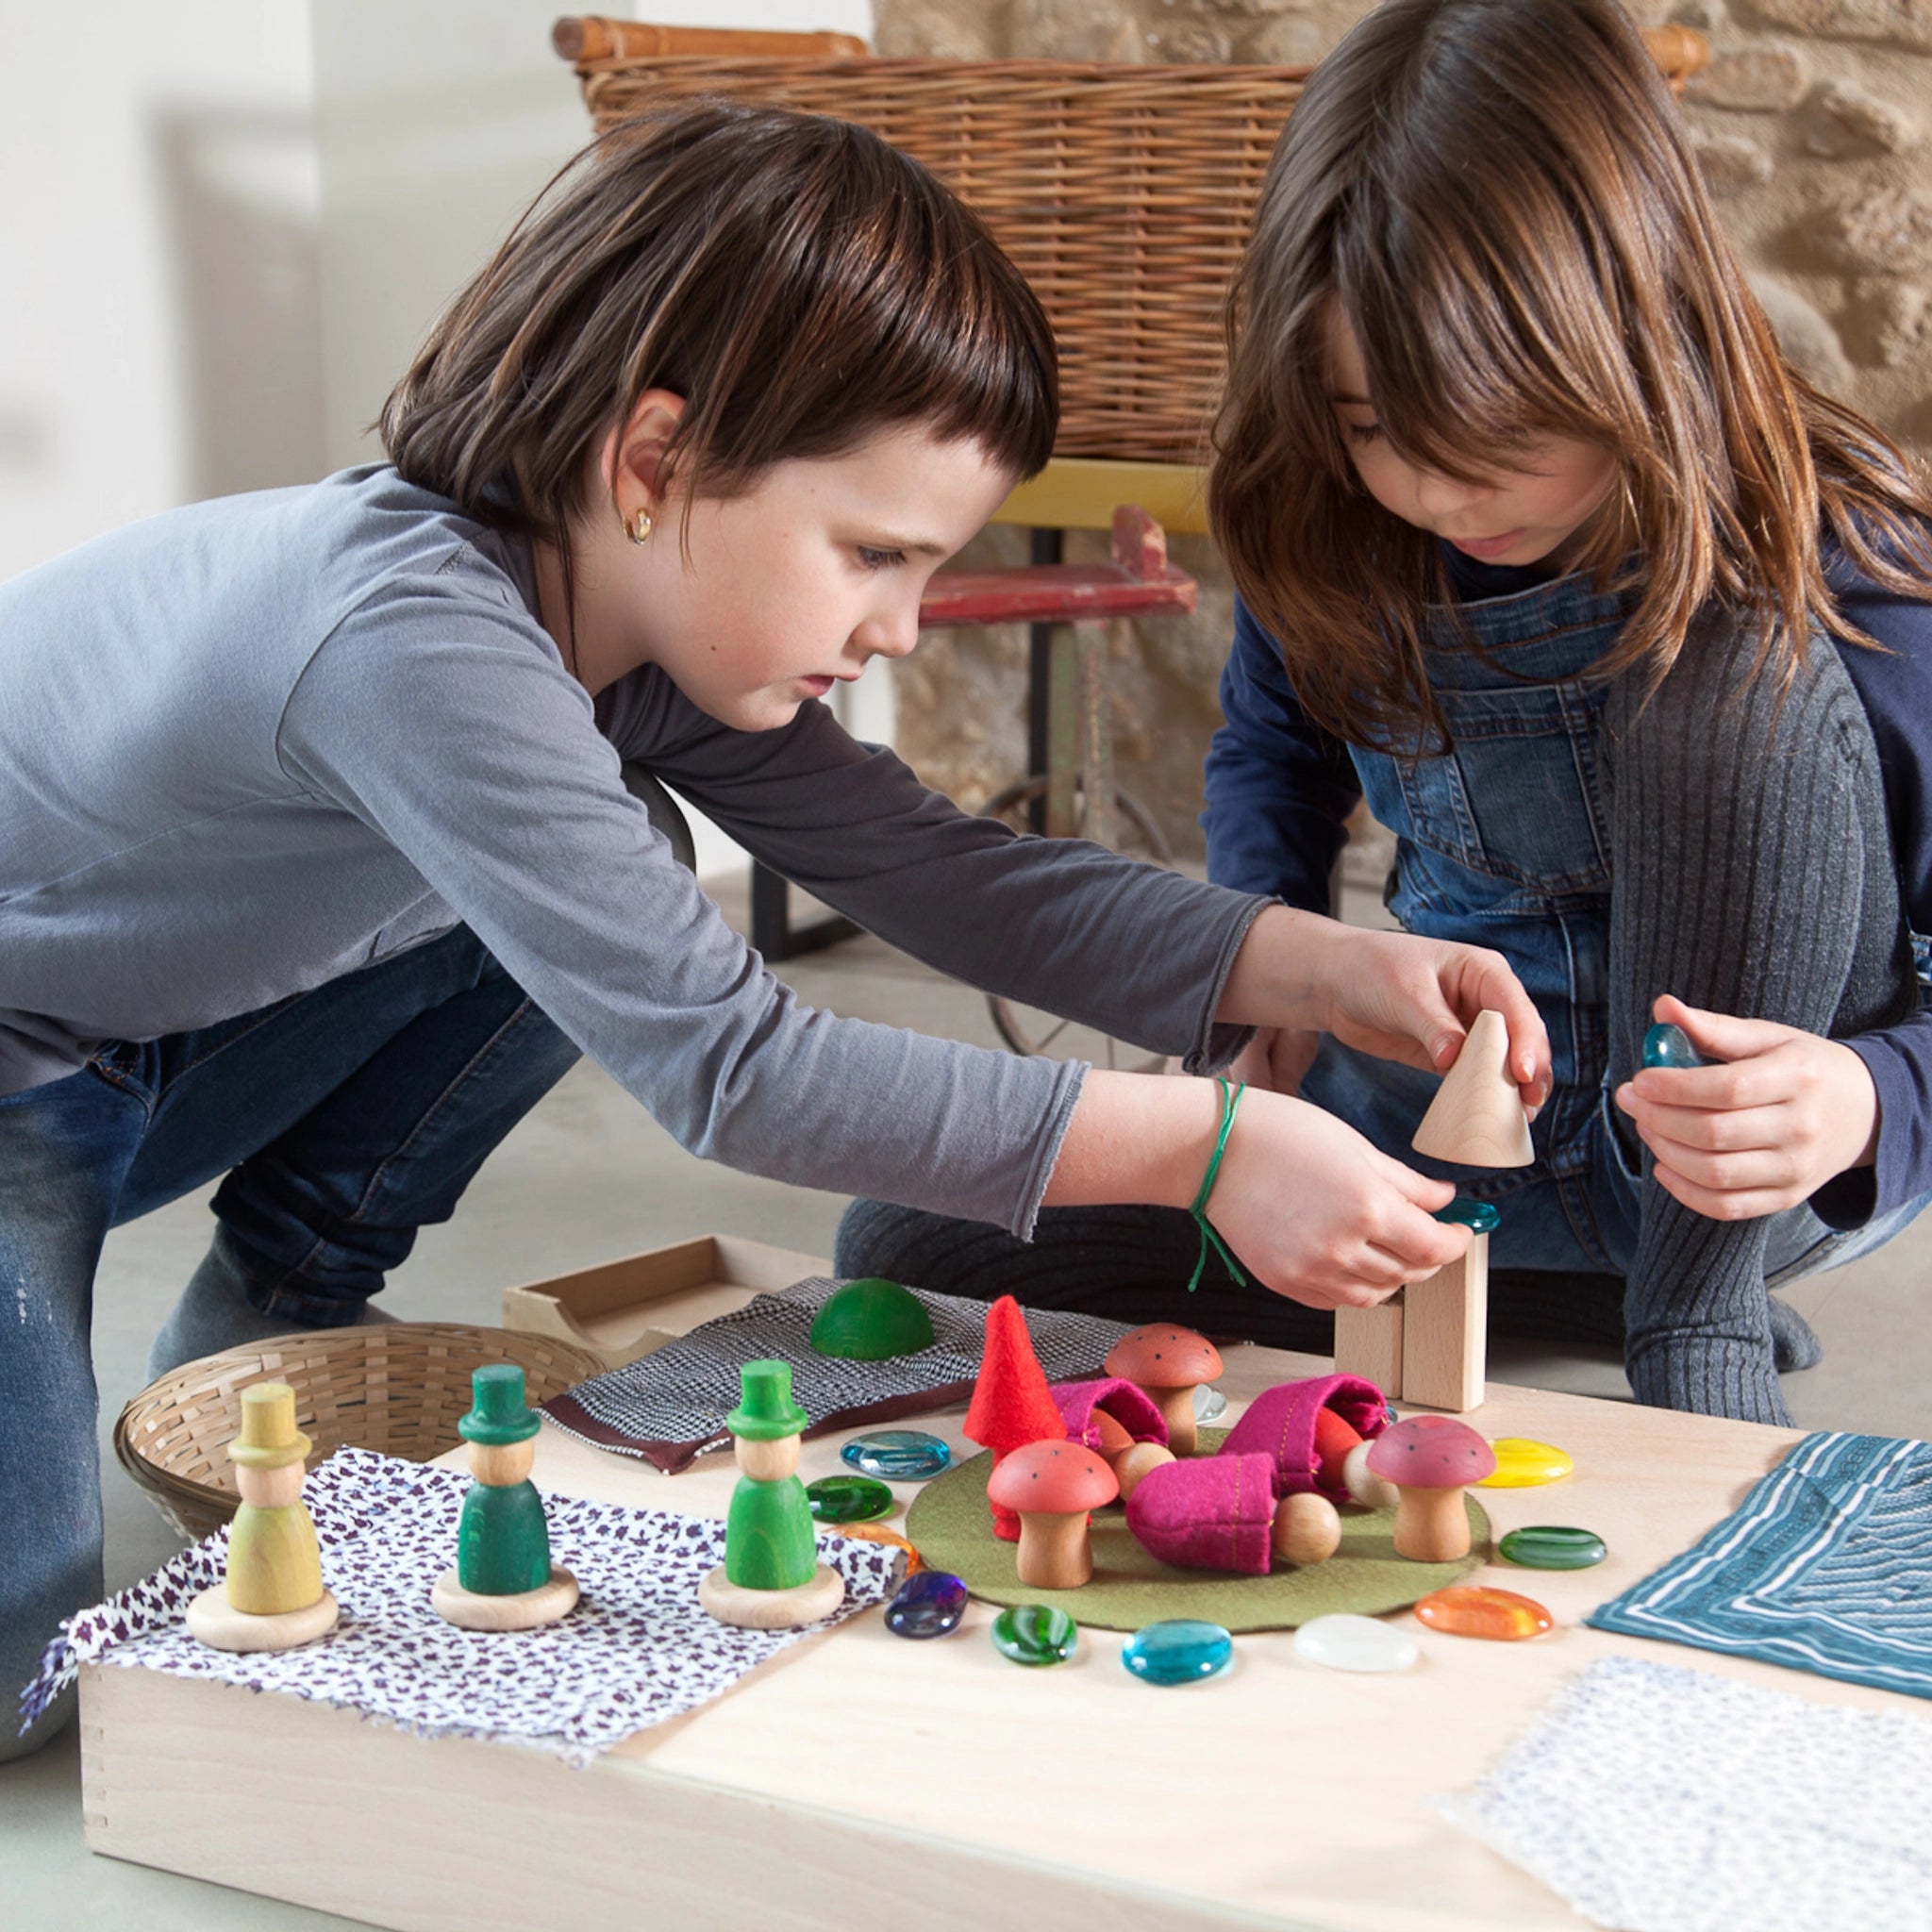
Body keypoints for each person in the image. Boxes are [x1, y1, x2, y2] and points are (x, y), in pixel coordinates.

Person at [0, 101, 1547, 1757]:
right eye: (873, 554)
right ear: (656, 462)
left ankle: (275, 1307)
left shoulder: (619, 607)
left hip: (161, 1020)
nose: (893, 629)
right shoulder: (413, 639)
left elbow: (947, 873)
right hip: (24, 1066)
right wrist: (1207, 1141)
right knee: (27, 1688)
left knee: (622, 856)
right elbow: (734, 1072)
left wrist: (1316, 962)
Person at [839, 0, 1932, 1431]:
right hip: (1425, 1138)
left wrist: (1867, 1101)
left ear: (1635, 333)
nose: (1432, 491)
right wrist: (1257, 982)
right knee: (905, 1248)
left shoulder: (1854, 571)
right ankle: (1501, 1286)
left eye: (1499, 438)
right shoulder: (1330, 518)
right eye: (1370, 426)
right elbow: (1271, 758)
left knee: (1722, 687)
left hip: (1730, 1185)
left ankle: (1686, 1321)